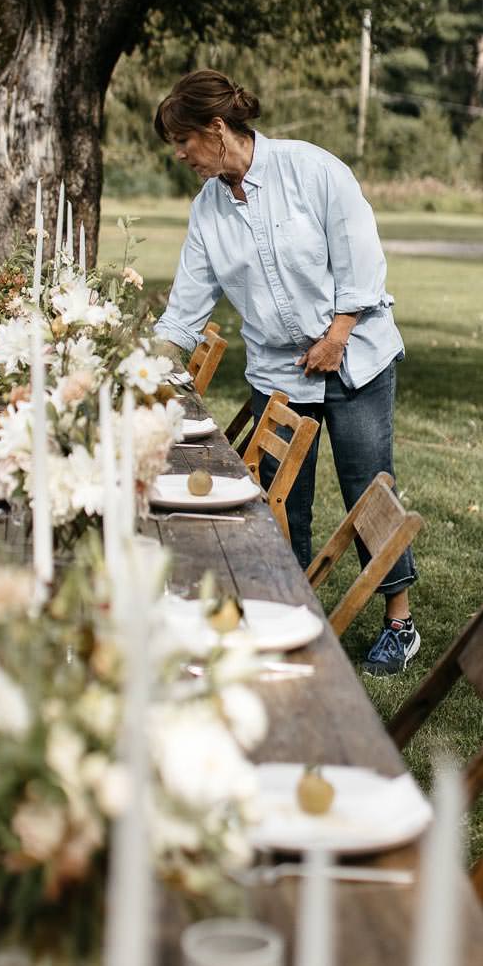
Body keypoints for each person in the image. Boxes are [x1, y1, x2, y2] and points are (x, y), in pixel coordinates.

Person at [149, 69, 416, 675]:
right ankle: (287, 611)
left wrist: (337, 335)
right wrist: (146, 366)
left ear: (217, 128)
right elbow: (185, 309)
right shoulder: (208, 209)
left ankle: (399, 623)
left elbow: (361, 261)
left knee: (369, 488)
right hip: (279, 370)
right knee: (281, 499)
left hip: (354, 353)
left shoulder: (313, 170)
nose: (180, 154)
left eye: (184, 140)